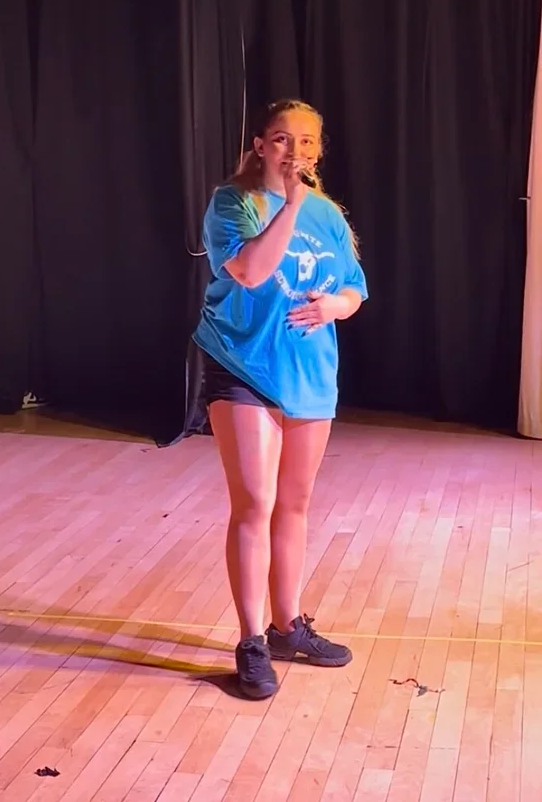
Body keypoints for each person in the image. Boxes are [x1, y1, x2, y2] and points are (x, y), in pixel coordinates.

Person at [193, 100, 368, 700]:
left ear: (319, 149)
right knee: (255, 502)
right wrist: (289, 205)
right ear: (261, 144)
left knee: (294, 503)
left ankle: (288, 626)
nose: (296, 151)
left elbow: (353, 289)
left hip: (310, 372)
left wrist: (333, 307)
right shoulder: (232, 202)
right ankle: (250, 642)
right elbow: (251, 272)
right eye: (282, 139)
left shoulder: (329, 215)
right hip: (244, 365)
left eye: (308, 142)